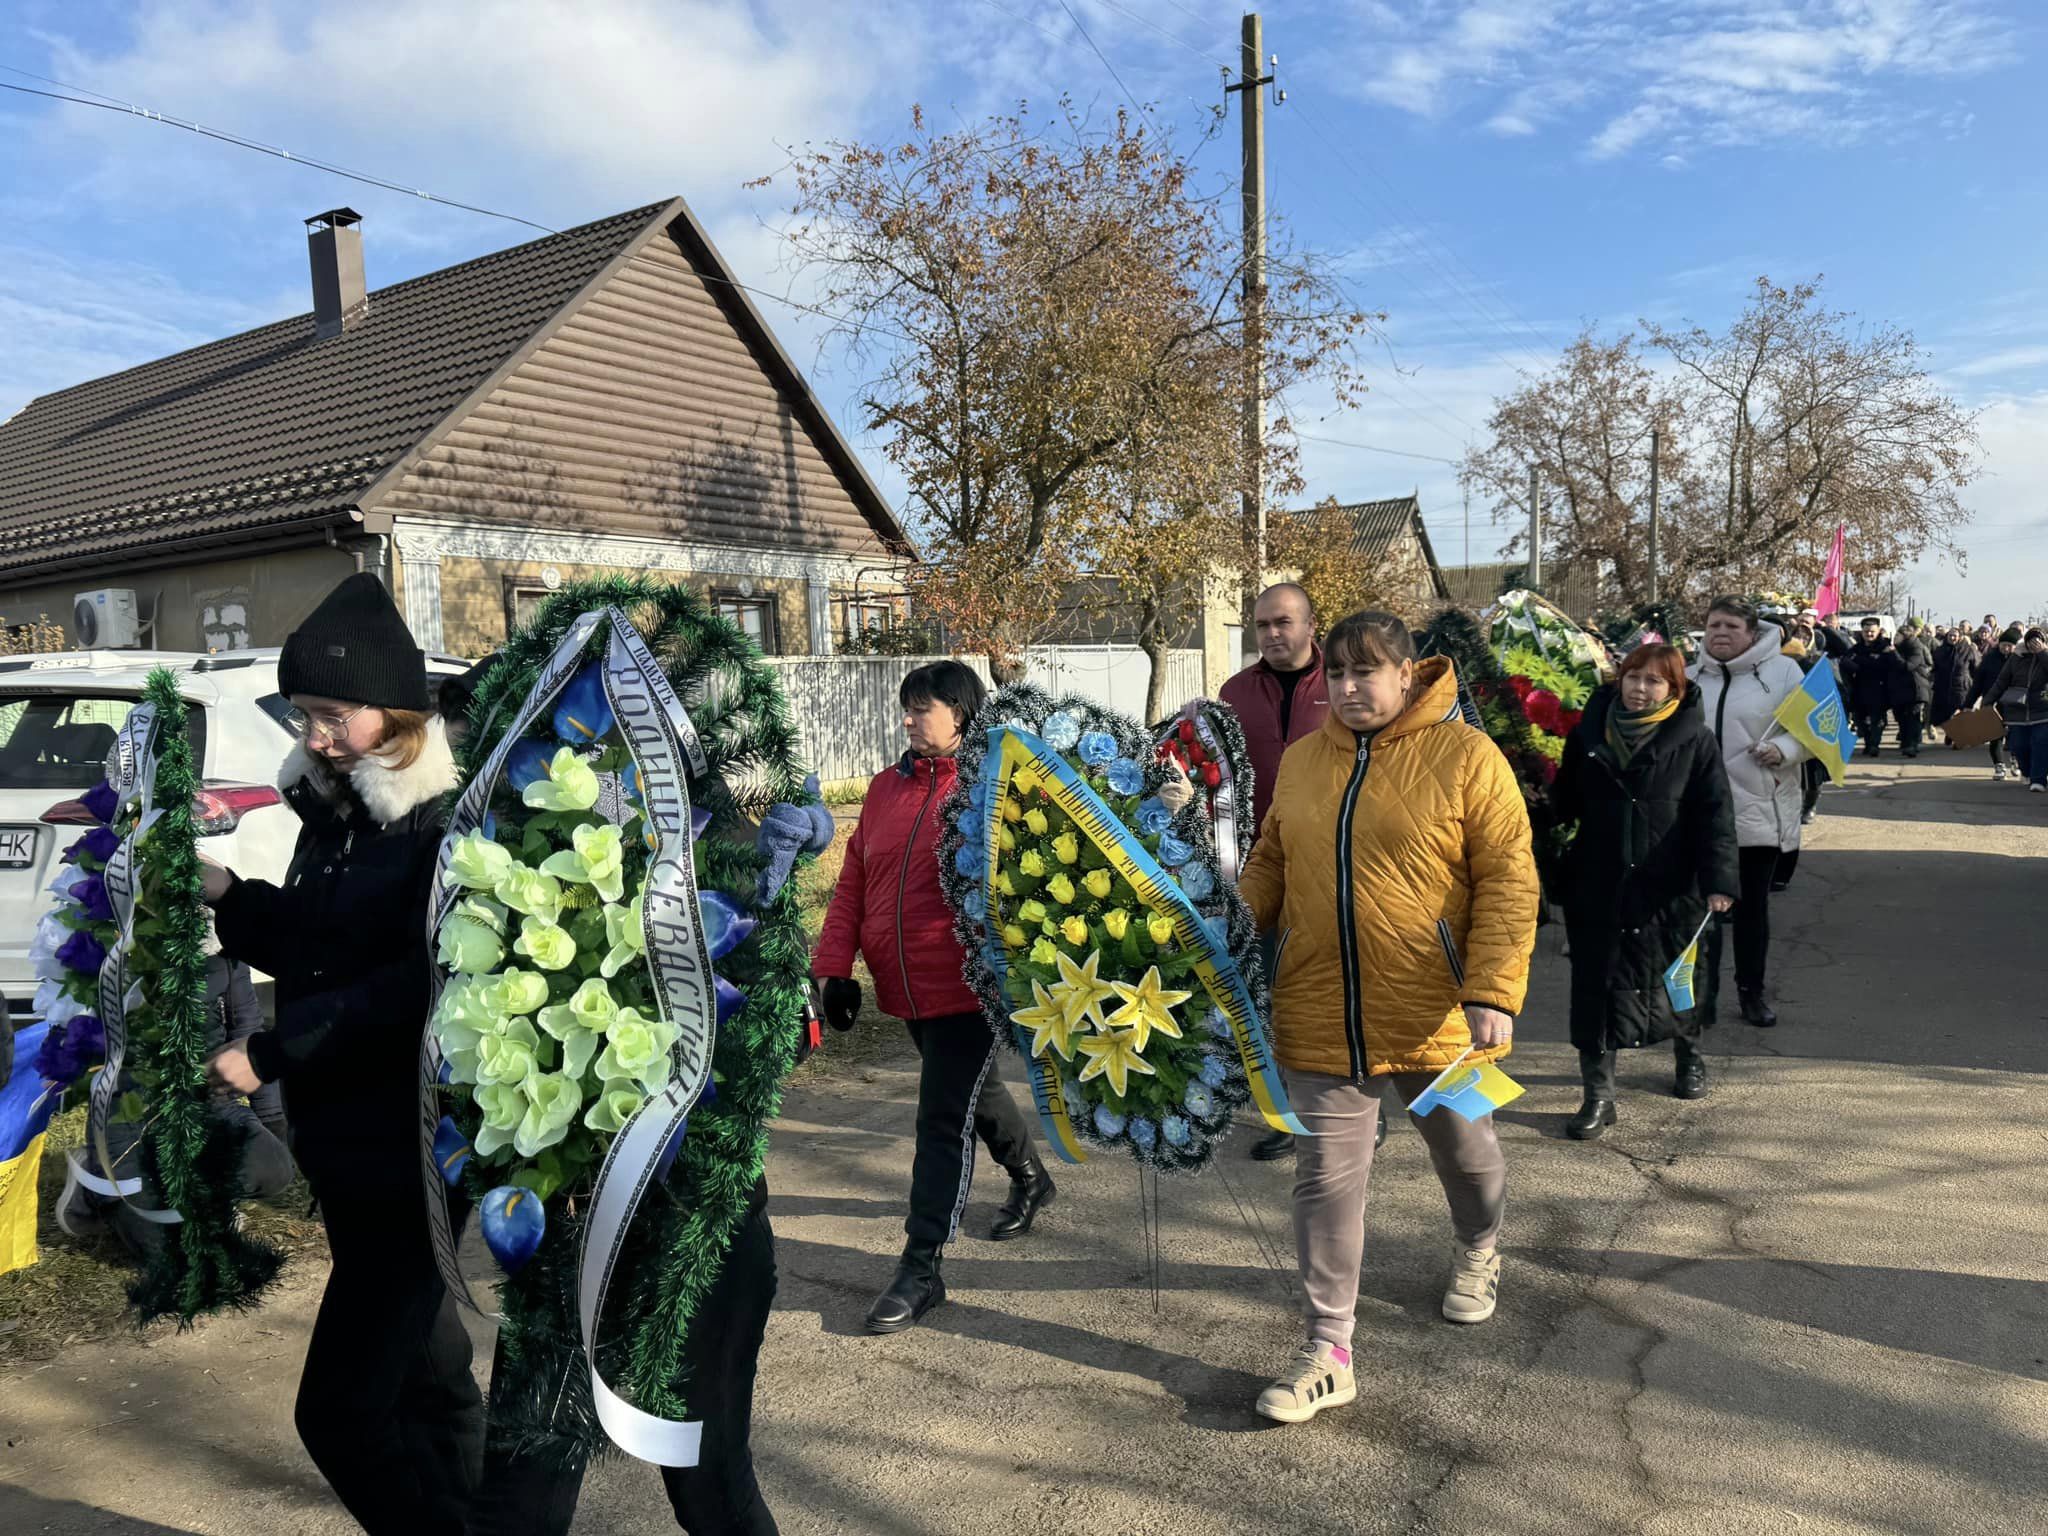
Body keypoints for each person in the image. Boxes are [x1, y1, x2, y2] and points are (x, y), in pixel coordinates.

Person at [202, 573, 484, 1535]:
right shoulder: (338, 813)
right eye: (303, 713)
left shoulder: (438, 823)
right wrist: (223, 892)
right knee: (427, 1378)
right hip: (349, 1147)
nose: (312, 735)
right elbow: (311, 945)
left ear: (391, 712)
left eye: (330, 714)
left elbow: (418, 983)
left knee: (341, 1413)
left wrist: (276, 1051)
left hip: (409, 1148)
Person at [1238, 611, 1538, 1424]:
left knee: (1467, 1151)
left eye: (1366, 672)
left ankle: (1479, 1247)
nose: (1347, 688)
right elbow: (1271, 859)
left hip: (1438, 1014)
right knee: (1325, 1179)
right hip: (1319, 1005)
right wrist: (1230, 924)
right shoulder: (1304, 761)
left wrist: (1492, 990)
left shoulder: (1468, 756)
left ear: (1409, 672)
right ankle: (1328, 1349)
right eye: (1336, 674)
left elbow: (1510, 878)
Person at [813, 660, 1053, 1335]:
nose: (910, 719)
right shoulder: (887, 789)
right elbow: (856, 878)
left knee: (941, 1119)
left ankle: (921, 1268)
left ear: (962, 713)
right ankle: (1032, 1178)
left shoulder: (995, 788)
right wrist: (834, 967)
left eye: (923, 707)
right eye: (908, 707)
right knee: (973, 1096)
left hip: (968, 987)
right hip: (904, 985)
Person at [1553, 645, 1738, 1134]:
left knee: (1679, 979)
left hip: (1673, 886)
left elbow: (1716, 813)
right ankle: (1598, 1096)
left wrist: (1719, 880)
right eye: (1632, 677)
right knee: (1597, 988)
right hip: (1601, 883)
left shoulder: (1695, 740)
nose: (1639, 689)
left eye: (1653, 681)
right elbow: (1563, 805)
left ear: (1673, 690)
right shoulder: (1589, 736)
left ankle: (1689, 1057)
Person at [1218, 582, 1338, 1164]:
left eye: (1283, 622)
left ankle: (1358, 1112)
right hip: (1260, 864)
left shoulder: (1341, 685)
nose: (1271, 633)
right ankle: (1287, 1113)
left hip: (1335, 867)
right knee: (1271, 994)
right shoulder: (1234, 693)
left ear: (1312, 625)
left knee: (1337, 993)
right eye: (1263, 624)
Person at [1691, 597, 1808, 1030]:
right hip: (1699, 819)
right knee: (1703, 913)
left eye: (1731, 626)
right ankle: (1703, 996)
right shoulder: (1688, 677)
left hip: (1760, 810)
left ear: (1752, 633)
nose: (1720, 633)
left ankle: (1751, 993)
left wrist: (1786, 750)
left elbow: (1818, 730)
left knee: (1751, 910)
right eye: (1713, 625)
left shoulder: (1783, 674)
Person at [1982, 627, 2048, 791]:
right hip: (2017, 710)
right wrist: (1988, 701)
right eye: (2031, 641)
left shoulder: (2045, 656)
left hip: (2042, 710)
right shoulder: (2016, 657)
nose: (2034, 644)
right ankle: (2027, 772)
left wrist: (2042, 653)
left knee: (2040, 744)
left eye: (2038, 641)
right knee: (2018, 745)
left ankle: (2038, 780)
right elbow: (2002, 681)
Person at [1844, 617, 1908, 758]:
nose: (1869, 634)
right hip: (1860, 689)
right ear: (1862, 632)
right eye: (1866, 631)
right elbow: (1846, 663)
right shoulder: (1856, 649)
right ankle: (1868, 743)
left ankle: (1874, 745)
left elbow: (1898, 665)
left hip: (1880, 690)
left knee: (1877, 721)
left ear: (1878, 631)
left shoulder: (1885, 647)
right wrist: (1859, 665)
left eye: (1872, 631)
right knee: (1861, 720)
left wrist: (1866, 662)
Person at [1966, 628, 2022, 779]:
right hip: (1992, 702)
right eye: (2004, 644)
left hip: (2014, 704)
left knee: (2016, 736)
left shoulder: (2021, 660)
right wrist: (1968, 703)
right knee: (1995, 736)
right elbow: (1978, 683)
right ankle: (1999, 766)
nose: (2006, 648)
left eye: (2010, 645)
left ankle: (2015, 760)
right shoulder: (1990, 659)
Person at [1893, 621, 1934, 757]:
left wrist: (1894, 654)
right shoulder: (1899, 647)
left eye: (1897, 635)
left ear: (1904, 636)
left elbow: (1908, 666)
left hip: (1916, 688)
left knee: (1913, 717)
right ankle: (1906, 743)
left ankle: (1912, 744)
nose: (1894, 638)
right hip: (1902, 689)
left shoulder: (1915, 647)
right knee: (1902, 717)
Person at [1930, 626, 1979, 732]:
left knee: (1958, 714)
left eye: (1955, 636)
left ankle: (1956, 736)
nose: (1952, 638)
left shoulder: (1968, 650)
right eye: (1950, 635)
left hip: (1961, 687)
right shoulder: (1940, 650)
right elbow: (1934, 667)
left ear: (1960, 637)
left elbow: (1976, 669)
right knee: (1943, 715)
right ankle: (1950, 732)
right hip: (1943, 687)